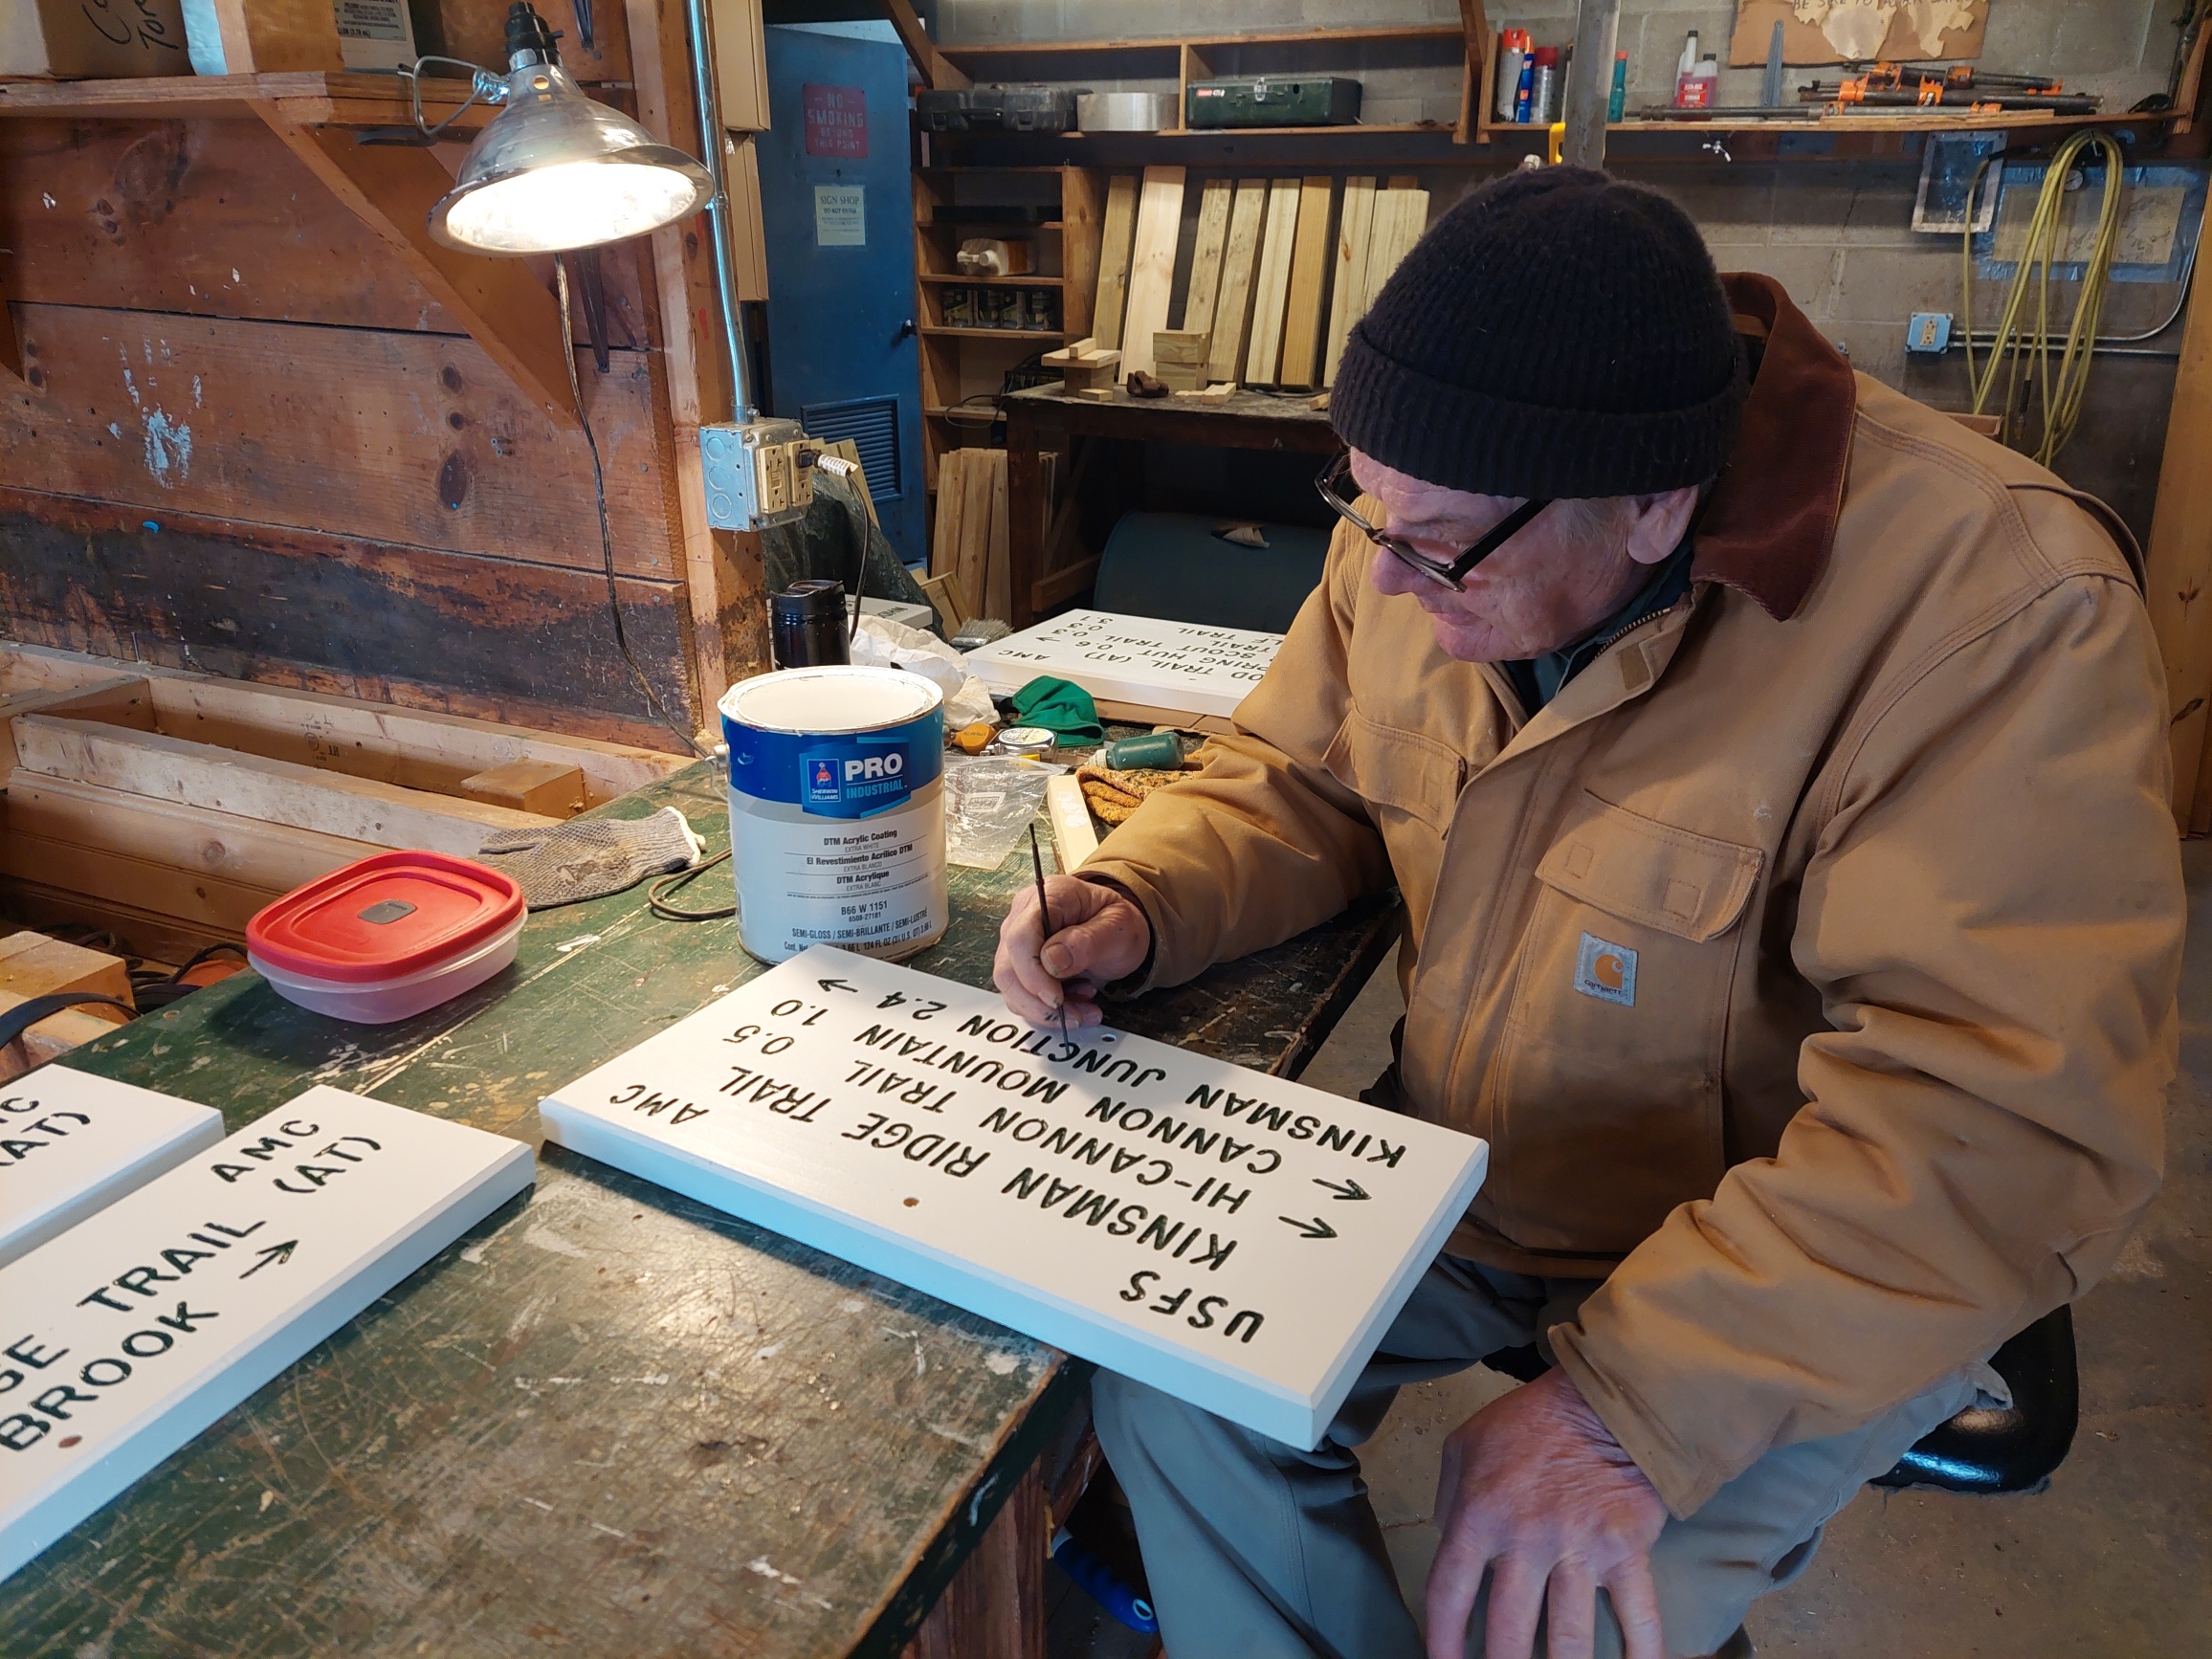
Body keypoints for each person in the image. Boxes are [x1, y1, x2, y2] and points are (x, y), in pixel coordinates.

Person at [992, 167, 2183, 1659]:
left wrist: (1631, 1414)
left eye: (1431, 544)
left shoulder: (2000, 608)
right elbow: (1304, 774)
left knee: (1546, 1618)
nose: (1387, 571)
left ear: (1654, 508)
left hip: (1797, 1262)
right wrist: (1141, 893)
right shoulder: (1429, 514)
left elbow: (2006, 1122)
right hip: (1488, 1168)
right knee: (1165, 1373)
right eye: (1363, 515)